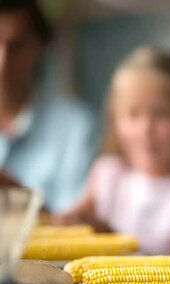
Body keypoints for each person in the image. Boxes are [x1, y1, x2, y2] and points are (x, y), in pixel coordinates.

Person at [55, 47, 170, 258]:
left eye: (161, 114)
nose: (146, 130)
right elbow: (73, 219)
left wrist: (107, 236)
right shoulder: (107, 174)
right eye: (133, 114)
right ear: (115, 119)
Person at [0, 0, 98, 212]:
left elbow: (76, 224)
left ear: (41, 47)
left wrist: (17, 199)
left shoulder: (76, 128)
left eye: (17, 46)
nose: (3, 61)